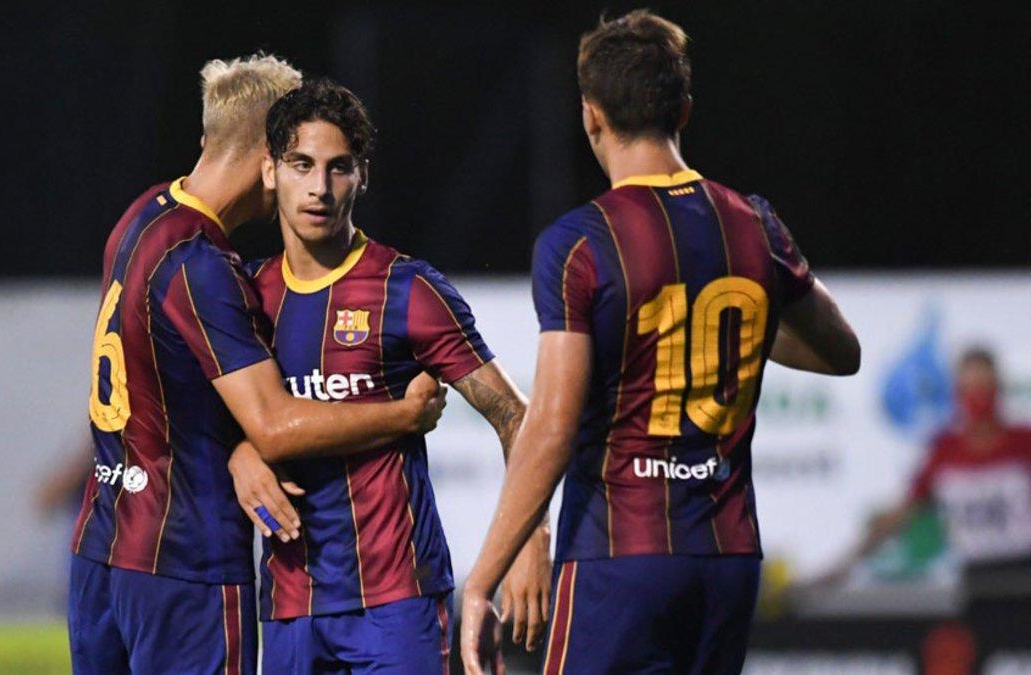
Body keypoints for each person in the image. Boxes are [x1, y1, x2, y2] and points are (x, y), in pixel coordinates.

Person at [459, 10, 861, 674]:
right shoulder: (754, 222)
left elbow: (553, 425)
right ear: (684, 109)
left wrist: (484, 576)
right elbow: (841, 351)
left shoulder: (581, 241)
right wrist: (727, 333)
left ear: (591, 114)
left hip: (620, 555)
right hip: (729, 560)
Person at [68, 55, 447, 675]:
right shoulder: (204, 262)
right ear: (270, 161)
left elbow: (183, 394)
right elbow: (272, 422)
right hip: (182, 558)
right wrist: (404, 415)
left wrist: (239, 451)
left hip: (101, 543)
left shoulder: (143, 215)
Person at [227, 78, 550, 674]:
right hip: (290, 604)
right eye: (302, 165)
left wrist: (531, 541)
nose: (320, 188)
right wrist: (240, 453)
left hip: (397, 603)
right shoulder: (248, 297)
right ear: (270, 171)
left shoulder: (408, 289)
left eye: (339, 167)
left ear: (363, 176)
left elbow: (515, 415)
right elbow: (214, 420)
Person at [818, 348, 1031, 592]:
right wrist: (844, 565)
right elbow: (903, 513)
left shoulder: (1023, 442)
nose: (978, 396)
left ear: (998, 388)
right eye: (969, 387)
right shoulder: (946, 450)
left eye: (984, 386)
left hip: (1023, 572)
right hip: (976, 577)